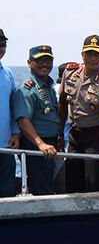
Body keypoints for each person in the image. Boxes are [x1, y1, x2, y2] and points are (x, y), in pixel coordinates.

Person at [58, 34, 99, 192]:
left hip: (95, 136)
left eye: (97, 54)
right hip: (74, 134)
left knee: (95, 182)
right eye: (89, 53)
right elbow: (63, 103)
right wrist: (59, 134)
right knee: (72, 180)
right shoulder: (69, 73)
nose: (93, 58)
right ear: (82, 54)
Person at [12, 45, 61, 195]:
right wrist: (41, 144)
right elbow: (23, 120)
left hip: (50, 144)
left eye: (48, 60)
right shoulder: (26, 88)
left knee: (48, 184)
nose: (45, 64)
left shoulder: (48, 85)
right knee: (41, 188)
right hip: (37, 145)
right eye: (40, 61)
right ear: (29, 62)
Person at [0, 29, 21, 197]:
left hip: (5, 146)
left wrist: (16, 132)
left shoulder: (8, 73)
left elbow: (13, 106)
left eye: (3, 44)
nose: (0, 47)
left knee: (6, 195)